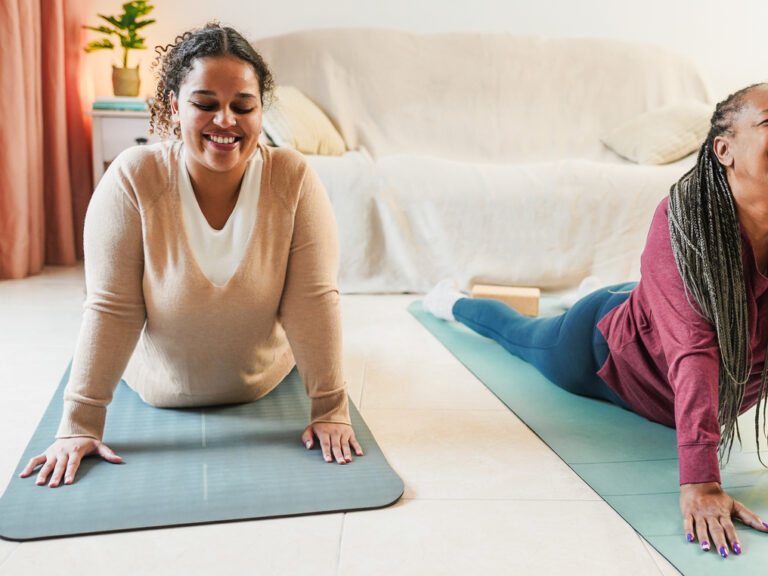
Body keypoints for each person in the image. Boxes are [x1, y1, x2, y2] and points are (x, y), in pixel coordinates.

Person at [424, 83, 768, 559]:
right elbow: (694, 350)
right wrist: (701, 481)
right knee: (522, 335)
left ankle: (608, 291)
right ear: (724, 150)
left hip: (655, 310)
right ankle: (452, 302)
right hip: (599, 349)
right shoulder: (684, 220)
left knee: (655, 299)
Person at [20, 23, 362, 488]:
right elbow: (112, 308)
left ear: (262, 113)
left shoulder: (293, 178)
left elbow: (313, 301)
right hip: (158, 387)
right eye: (205, 104)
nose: (225, 120)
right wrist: (79, 424)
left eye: (243, 106)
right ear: (173, 107)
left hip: (260, 380)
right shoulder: (132, 178)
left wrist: (331, 410)